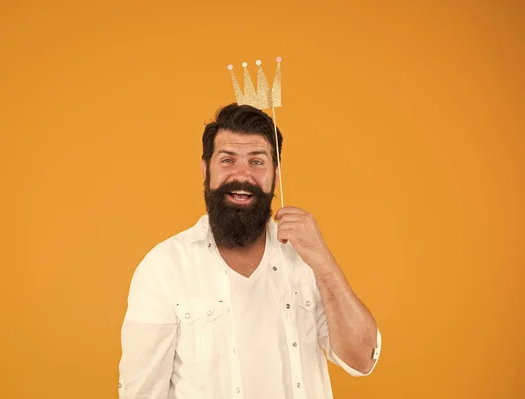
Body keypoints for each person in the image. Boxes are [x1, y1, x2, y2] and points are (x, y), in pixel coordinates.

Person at [118, 103, 382, 399]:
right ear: (206, 170)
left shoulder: (306, 258)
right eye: (228, 160)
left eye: (257, 162)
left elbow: (362, 360)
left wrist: (322, 260)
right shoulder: (163, 267)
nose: (242, 174)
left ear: (276, 174)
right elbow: (141, 392)